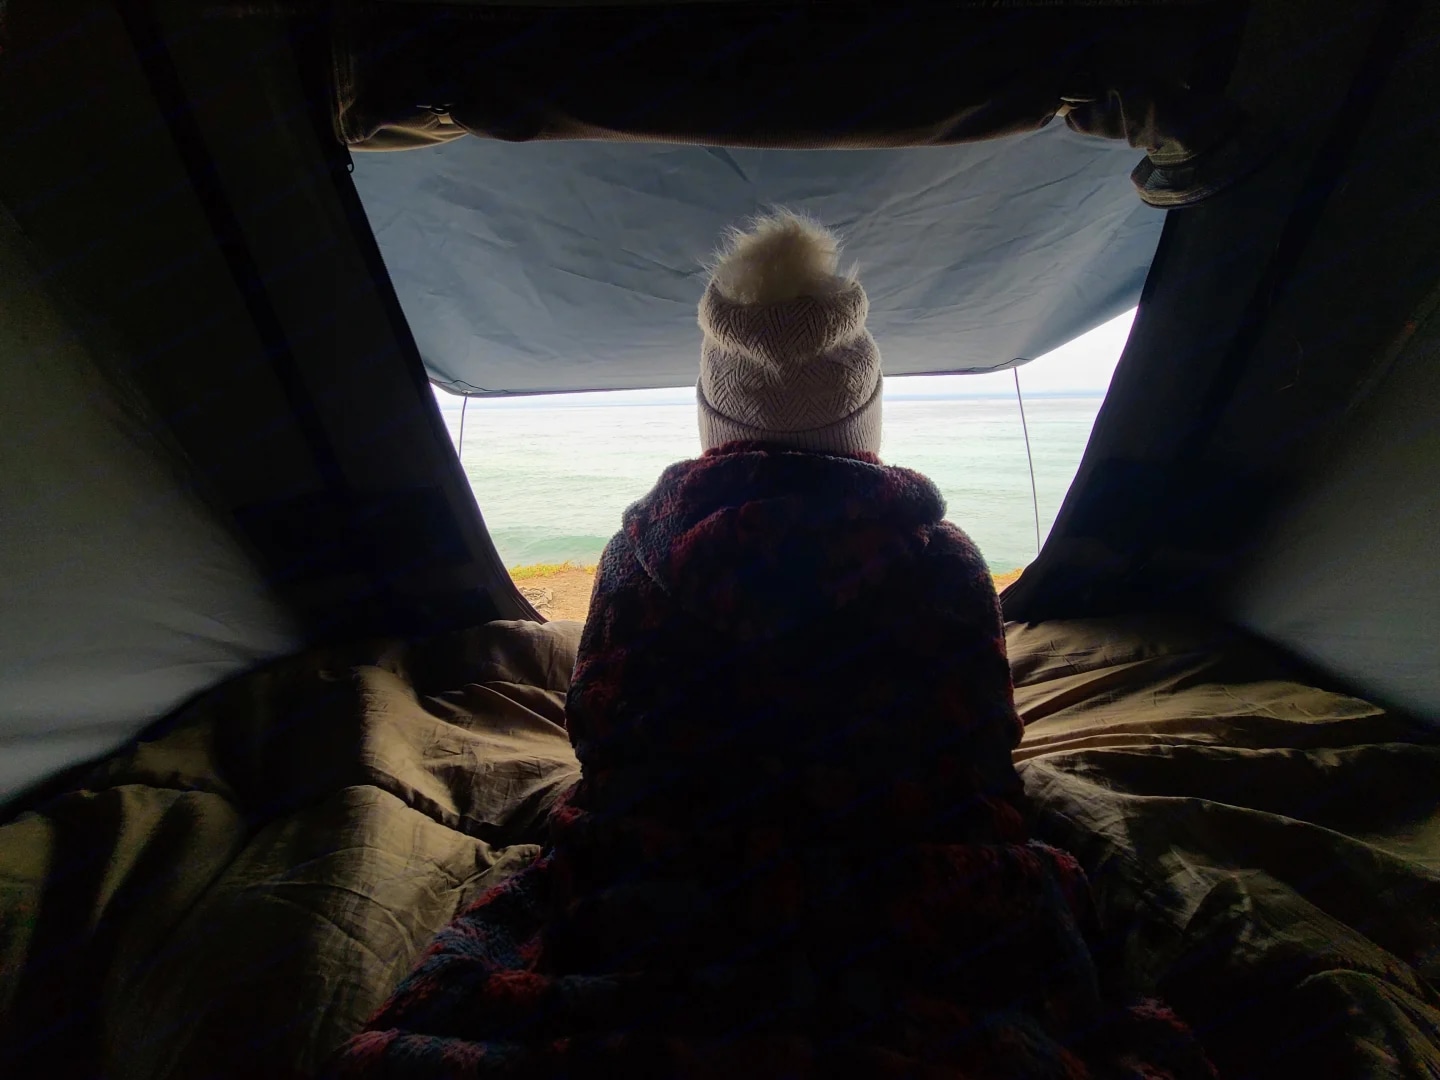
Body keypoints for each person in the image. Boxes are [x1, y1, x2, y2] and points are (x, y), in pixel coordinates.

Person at [326, 213, 1214, 1077]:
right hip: (913, 891)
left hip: (665, 890)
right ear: (864, 417)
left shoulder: (638, 555)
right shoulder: (944, 560)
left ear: (716, 417)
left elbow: (605, 747)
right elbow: (981, 756)